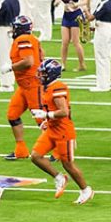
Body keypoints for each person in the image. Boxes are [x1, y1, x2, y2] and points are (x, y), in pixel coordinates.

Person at [29, 59, 93, 204]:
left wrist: (46, 115)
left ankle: (85, 189)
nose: (41, 76)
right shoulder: (48, 87)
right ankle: (59, 177)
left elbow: (63, 111)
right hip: (52, 129)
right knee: (35, 156)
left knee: (68, 164)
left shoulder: (57, 88)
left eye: (44, 74)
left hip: (63, 131)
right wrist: (46, 120)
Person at [2, 14, 42, 160]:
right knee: (13, 114)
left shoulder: (23, 39)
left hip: (32, 83)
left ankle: (57, 149)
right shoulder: (30, 39)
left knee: (40, 117)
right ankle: (21, 150)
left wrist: (10, 68)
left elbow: (29, 61)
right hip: (24, 85)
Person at [57, 0, 87, 72]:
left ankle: (82, 64)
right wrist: (57, 2)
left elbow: (86, 0)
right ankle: (63, 64)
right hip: (66, 16)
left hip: (76, 16)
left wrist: (77, 4)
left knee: (75, 42)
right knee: (64, 42)